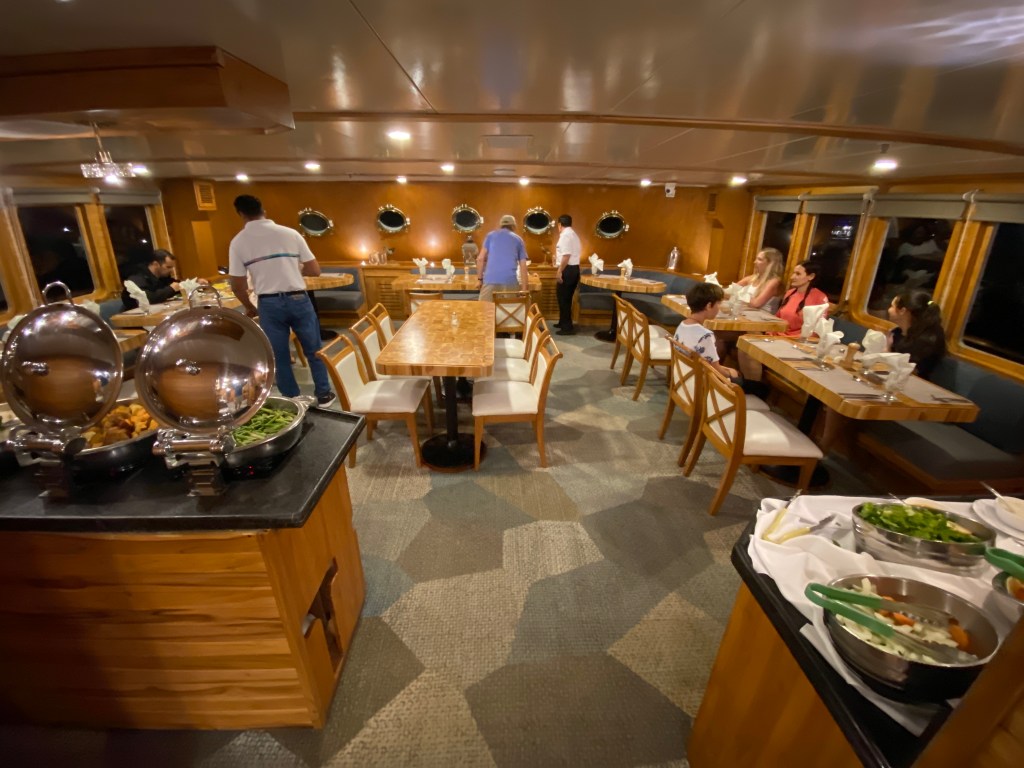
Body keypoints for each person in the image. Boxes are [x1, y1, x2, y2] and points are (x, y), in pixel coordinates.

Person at [227, 194, 336, 407]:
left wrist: (249, 306)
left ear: (240, 214)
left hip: (269, 303)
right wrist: (291, 268)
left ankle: (292, 399)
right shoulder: (290, 233)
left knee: (279, 355)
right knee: (314, 349)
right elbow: (315, 270)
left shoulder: (238, 242)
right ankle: (324, 394)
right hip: (298, 298)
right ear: (263, 210)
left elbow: (237, 285)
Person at [675, 282, 739, 380]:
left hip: (681, 378)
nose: (720, 307)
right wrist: (731, 374)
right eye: (719, 303)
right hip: (700, 383)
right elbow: (716, 370)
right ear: (709, 306)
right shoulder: (705, 335)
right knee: (752, 384)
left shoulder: (682, 324)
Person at [887, 289, 946, 380]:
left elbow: (908, 372)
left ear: (902, 311)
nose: (889, 310)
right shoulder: (897, 332)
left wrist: (886, 350)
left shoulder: (926, 341)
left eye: (892, 306)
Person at [477, 214, 528, 302]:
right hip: (510, 281)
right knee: (509, 309)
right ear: (514, 226)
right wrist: (524, 288)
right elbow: (523, 266)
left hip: (490, 279)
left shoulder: (490, 236)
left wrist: (479, 280)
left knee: (484, 308)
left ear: (501, 225)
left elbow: (480, 259)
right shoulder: (518, 239)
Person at [775, 260, 829, 337]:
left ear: (811, 276)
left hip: (797, 340)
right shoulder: (789, 293)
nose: (792, 277)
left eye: (798, 274)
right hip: (778, 336)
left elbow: (816, 331)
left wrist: (788, 338)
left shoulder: (820, 298)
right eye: (793, 273)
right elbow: (777, 318)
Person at [554, 214, 582, 335]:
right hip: (573, 269)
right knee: (564, 297)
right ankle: (563, 322)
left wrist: (559, 271)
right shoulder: (573, 234)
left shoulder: (565, 235)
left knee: (564, 299)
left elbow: (566, 256)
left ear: (560, 224)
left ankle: (567, 327)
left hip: (567, 270)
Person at [735, 247, 785, 313]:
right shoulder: (752, 278)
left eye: (759, 259)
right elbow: (732, 289)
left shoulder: (774, 282)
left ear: (770, 264)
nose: (755, 262)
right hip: (747, 314)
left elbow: (756, 304)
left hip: (763, 317)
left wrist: (738, 294)